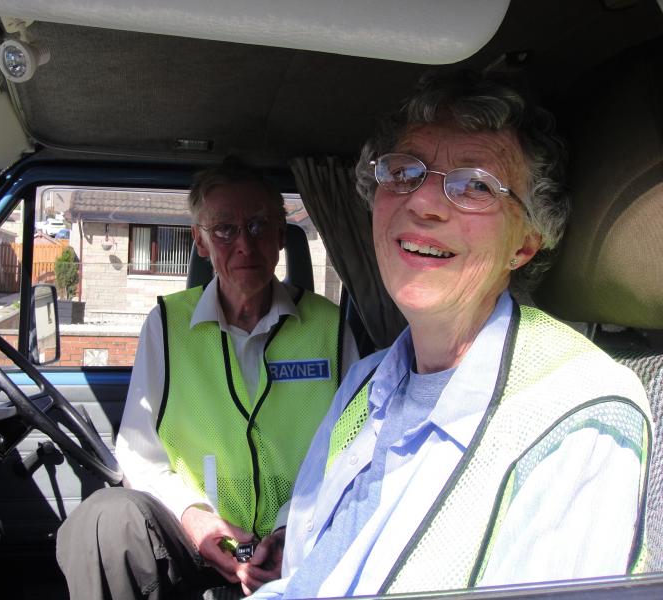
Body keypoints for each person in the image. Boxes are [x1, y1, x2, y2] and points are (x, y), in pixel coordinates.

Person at [251, 72, 654, 599]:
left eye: (475, 185)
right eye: (404, 172)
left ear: (525, 244)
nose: (424, 204)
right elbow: (304, 575)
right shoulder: (364, 384)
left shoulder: (578, 414)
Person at [57, 158, 358, 599]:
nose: (244, 246)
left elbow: (351, 449)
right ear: (199, 241)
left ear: (280, 235)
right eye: (224, 230)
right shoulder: (165, 324)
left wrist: (289, 528)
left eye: (258, 227)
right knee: (105, 517)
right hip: (195, 536)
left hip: (302, 532)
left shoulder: (330, 329)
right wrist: (193, 517)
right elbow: (139, 453)